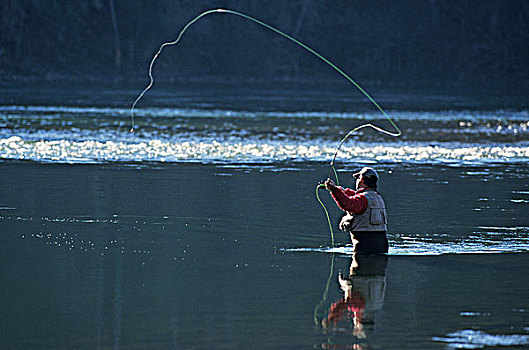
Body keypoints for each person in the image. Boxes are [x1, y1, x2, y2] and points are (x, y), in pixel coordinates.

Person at [324, 167, 388, 253]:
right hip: (382, 247)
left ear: (362, 180)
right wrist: (342, 191)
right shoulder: (378, 198)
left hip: (365, 249)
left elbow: (348, 204)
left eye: (358, 178)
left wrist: (334, 190)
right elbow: (358, 198)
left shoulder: (363, 199)